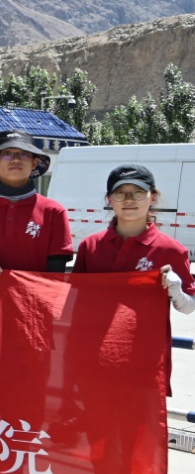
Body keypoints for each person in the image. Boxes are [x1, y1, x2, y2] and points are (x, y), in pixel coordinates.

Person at [74, 165, 195, 394]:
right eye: (120, 193)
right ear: (109, 199)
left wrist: (176, 291)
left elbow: (189, 307)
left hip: (144, 360)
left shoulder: (171, 250)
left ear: (153, 197)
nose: (129, 200)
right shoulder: (91, 246)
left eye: (138, 192)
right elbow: (74, 301)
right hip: (93, 353)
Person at [0, 130, 72, 275]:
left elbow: (55, 275)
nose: (16, 160)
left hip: (34, 291)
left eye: (24, 154)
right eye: (7, 153)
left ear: (34, 163)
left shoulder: (54, 212)